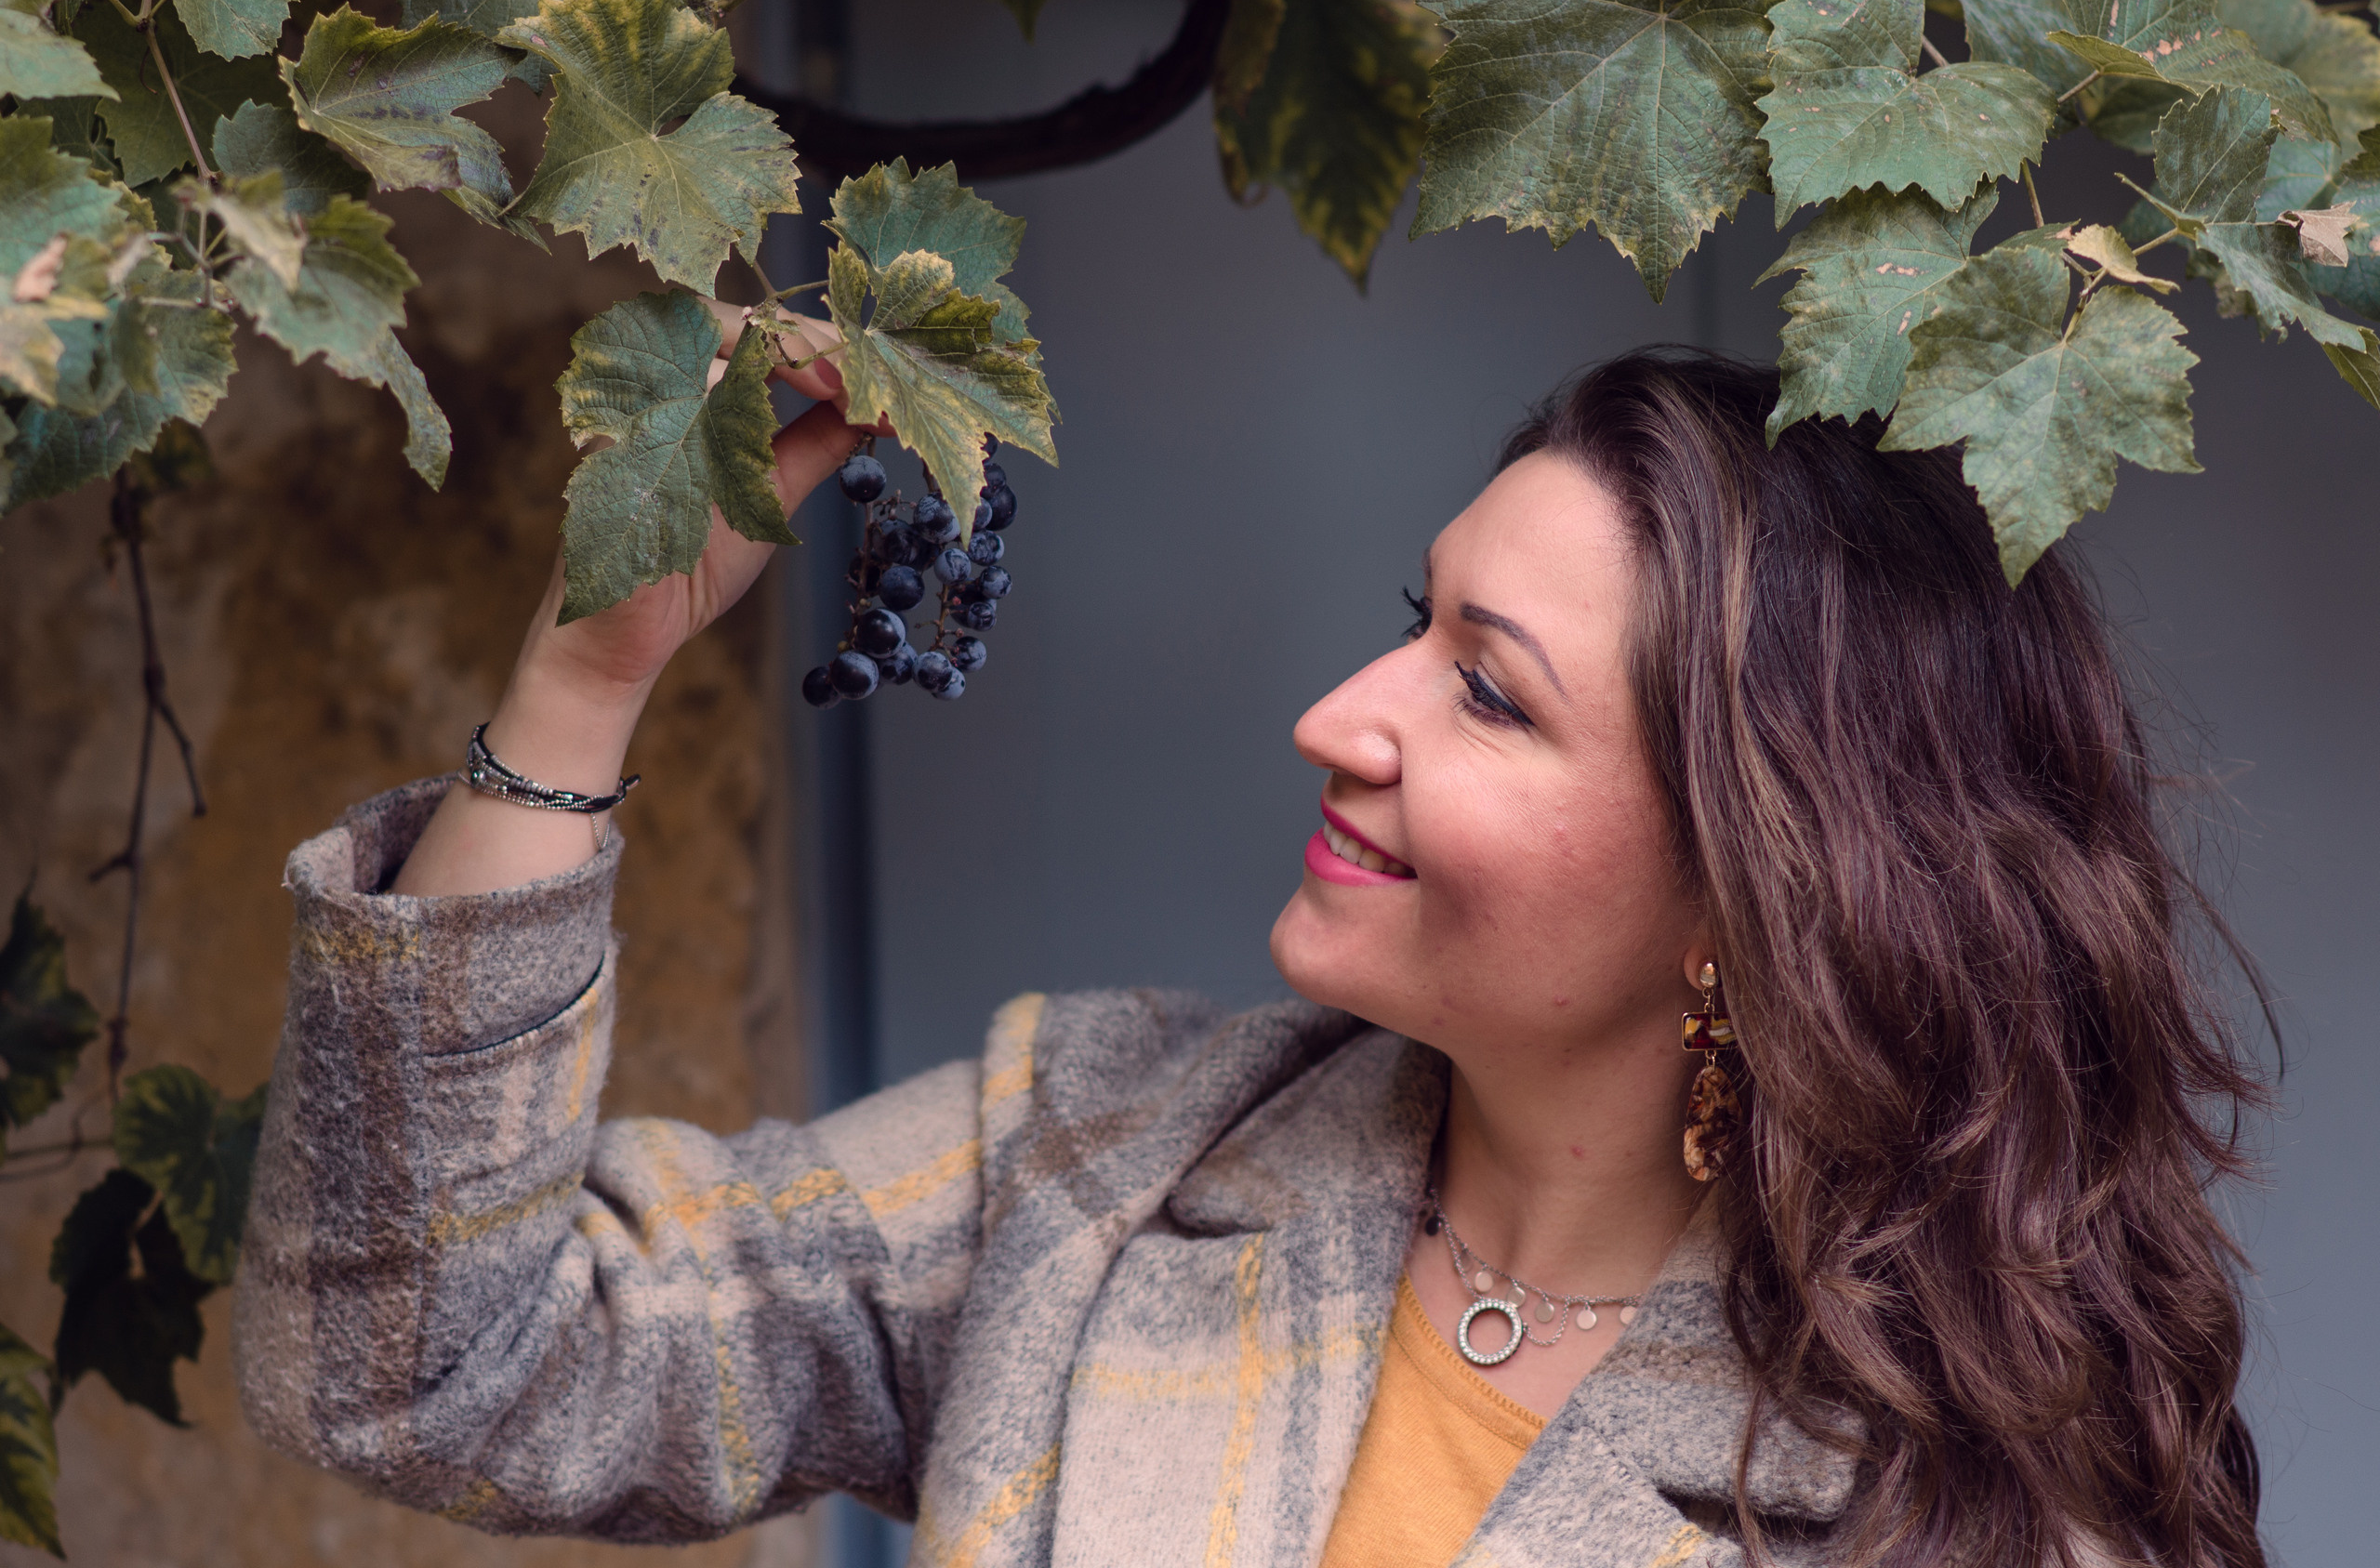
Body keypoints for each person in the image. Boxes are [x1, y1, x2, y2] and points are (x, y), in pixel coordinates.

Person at [232, 332, 2270, 1568]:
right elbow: (424, 1367)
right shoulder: (1103, 1162)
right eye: (1415, 615)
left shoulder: (1972, 1502)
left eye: (1484, 692)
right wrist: (593, 668)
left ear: (1755, 884)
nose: (1338, 708)